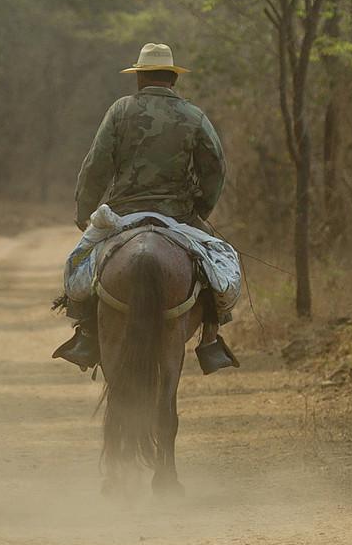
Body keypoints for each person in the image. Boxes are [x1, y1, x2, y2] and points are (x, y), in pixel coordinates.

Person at [55, 42, 232, 372]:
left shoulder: (120, 110)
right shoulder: (195, 116)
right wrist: (200, 211)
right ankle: (211, 337)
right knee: (220, 267)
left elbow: (96, 165)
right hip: (179, 215)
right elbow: (216, 168)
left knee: (78, 267)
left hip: (122, 215)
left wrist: (85, 214)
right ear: (172, 79)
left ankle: (87, 334)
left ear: (139, 78)